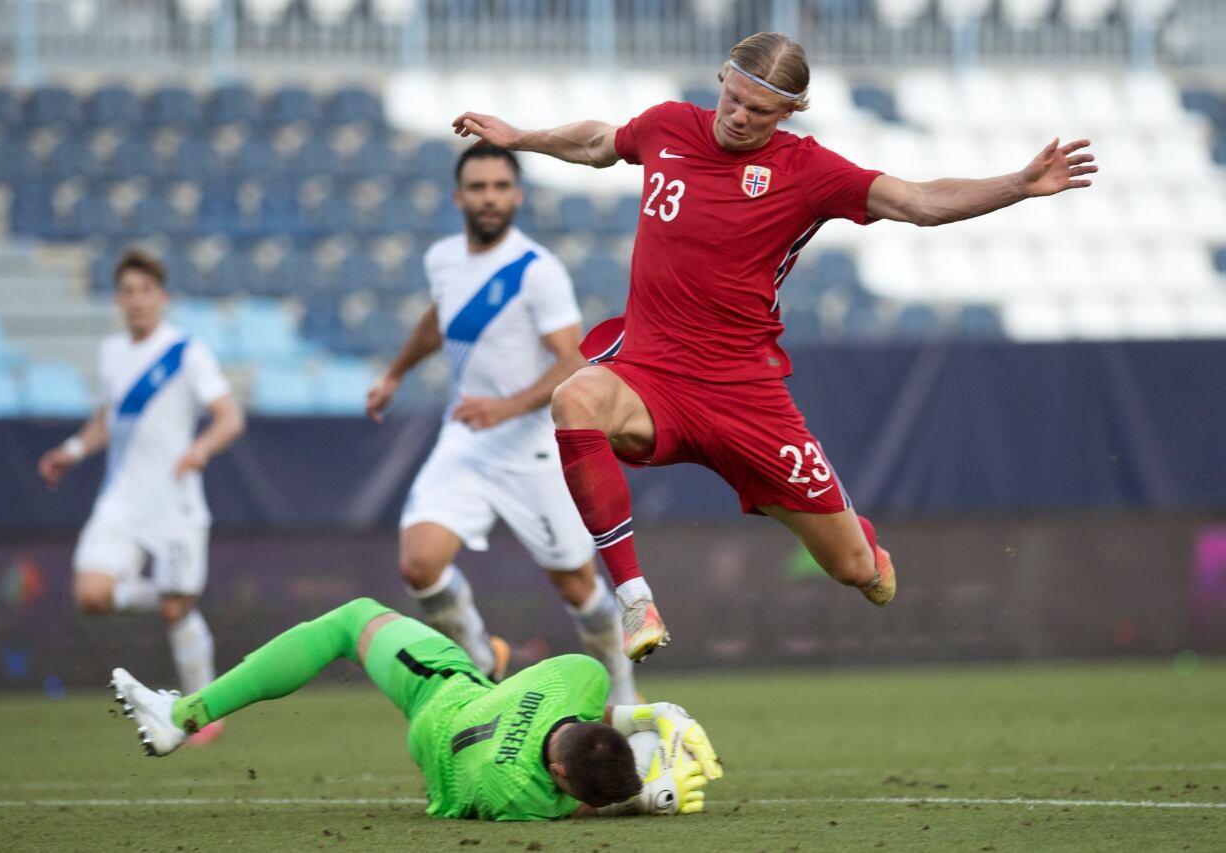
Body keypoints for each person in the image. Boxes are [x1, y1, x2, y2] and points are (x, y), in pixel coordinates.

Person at [451, 32, 1098, 661]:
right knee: (576, 398)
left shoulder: (808, 170)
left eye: (758, 110)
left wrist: (1018, 183)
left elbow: (919, 201)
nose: (737, 116)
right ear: (722, 82)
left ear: (789, 112)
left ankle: (861, 548)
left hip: (746, 398)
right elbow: (598, 141)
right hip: (650, 376)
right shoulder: (668, 126)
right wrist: (520, 138)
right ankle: (633, 597)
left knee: (858, 573)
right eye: (732, 98)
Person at [365, 144, 637, 702]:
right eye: (478, 187)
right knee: (419, 564)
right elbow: (440, 320)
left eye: (499, 187)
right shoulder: (443, 258)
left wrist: (505, 406)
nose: (489, 197)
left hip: (534, 449)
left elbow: (572, 362)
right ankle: (484, 661)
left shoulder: (538, 272)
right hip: (466, 441)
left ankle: (623, 695)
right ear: (458, 196)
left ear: (517, 195)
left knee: (578, 587)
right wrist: (395, 373)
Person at [110, 597, 721, 820]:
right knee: (492, 682)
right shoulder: (531, 803)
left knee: (350, 621)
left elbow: (595, 710)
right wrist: (643, 794)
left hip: (443, 688)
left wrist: (655, 712)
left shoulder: (578, 676)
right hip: (441, 759)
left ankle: (184, 716)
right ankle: (491, 660)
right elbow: (581, 801)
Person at [39, 249, 245, 742]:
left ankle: (205, 711)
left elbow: (229, 417)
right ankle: (175, 597)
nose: (137, 301)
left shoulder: (185, 351)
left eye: (145, 291)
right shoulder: (112, 353)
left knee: (176, 613)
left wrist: (201, 448)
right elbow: (109, 419)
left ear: (162, 297)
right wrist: (72, 448)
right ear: (118, 299)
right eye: (128, 291)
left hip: (175, 502)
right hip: (122, 499)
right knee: (91, 594)